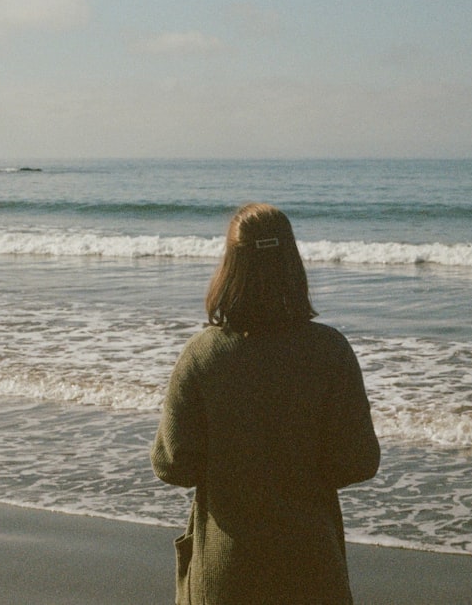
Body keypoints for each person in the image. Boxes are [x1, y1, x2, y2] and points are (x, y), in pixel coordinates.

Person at [151, 203, 380, 604]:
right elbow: (359, 460)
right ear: (293, 262)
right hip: (311, 569)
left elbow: (173, 465)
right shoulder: (329, 350)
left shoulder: (203, 355)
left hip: (226, 573)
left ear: (230, 265)